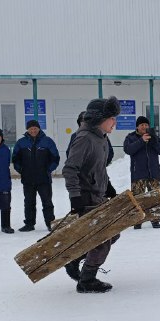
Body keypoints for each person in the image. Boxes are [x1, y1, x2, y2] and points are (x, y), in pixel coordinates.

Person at [62, 96, 121, 293]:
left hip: (98, 195)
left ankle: (75, 259)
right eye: (111, 118)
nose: (114, 122)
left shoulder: (100, 138)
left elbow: (98, 168)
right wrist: (75, 197)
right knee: (102, 238)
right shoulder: (84, 139)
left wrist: (108, 187)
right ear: (99, 118)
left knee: (113, 233)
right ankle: (87, 280)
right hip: (86, 197)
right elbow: (70, 169)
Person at [12, 119, 60, 232]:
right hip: (28, 179)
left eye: (35, 128)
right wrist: (21, 170)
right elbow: (15, 159)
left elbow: (55, 158)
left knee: (47, 202)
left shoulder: (48, 141)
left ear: (39, 129)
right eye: (31, 129)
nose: (33, 130)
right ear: (27, 130)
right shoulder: (21, 142)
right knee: (29, 202)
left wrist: (48, 170)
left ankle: (50, 223)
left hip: (44, 179)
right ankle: (29, 224)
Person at [122, 115, 160, 229]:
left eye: (146, 125)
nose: (144, 127)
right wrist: (141, 141)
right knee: (138, 198)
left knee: (155, 198)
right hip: (138, 173)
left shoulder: (154, 137)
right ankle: (137, 221)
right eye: (142, 125)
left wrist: (153, 141)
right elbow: (128, 149)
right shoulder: (131, 137)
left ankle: (155, 219)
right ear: (137, 127)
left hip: (153, 173)